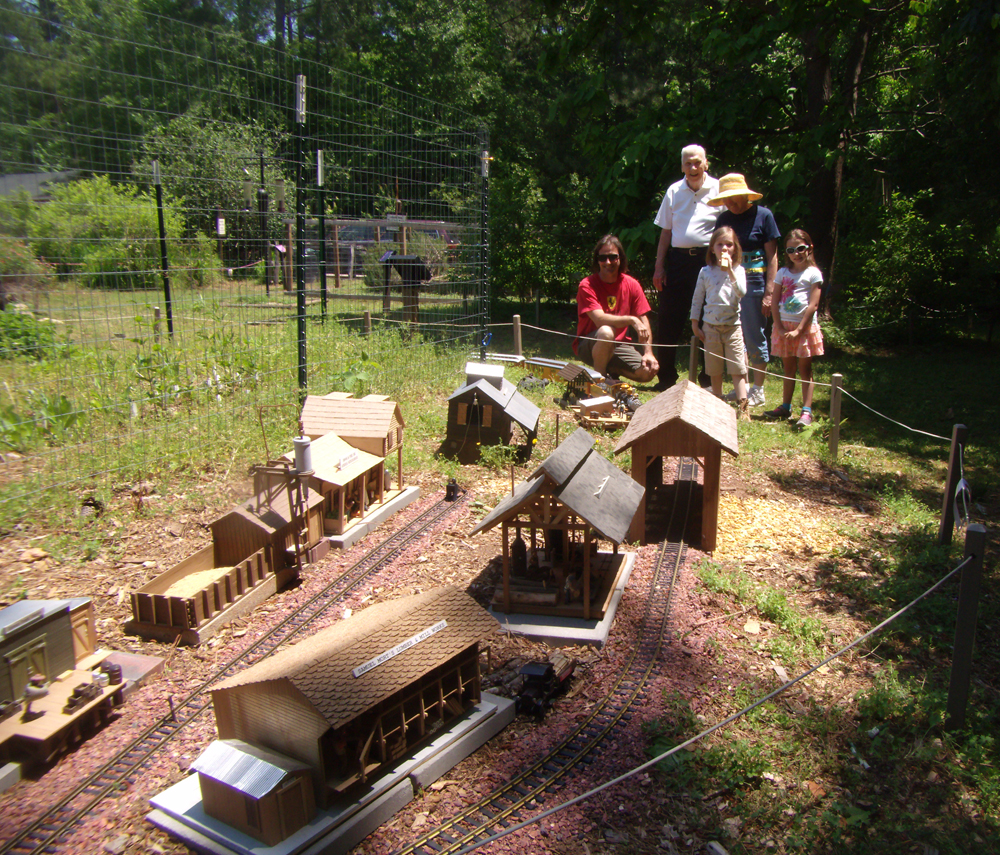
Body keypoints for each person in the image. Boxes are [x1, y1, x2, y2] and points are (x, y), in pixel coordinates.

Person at [652, 144, 721, 390]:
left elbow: (727, 232)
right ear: (682, 166)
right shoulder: (673, 191)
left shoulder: (718, 189)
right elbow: (665, 233)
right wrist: (659, 267)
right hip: (678, 262)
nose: (693, 167)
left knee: (708, 319)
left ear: (705, 163)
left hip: (709, 261)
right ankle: (666, 379)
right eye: (688, 163)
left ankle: (707, 381)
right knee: (669, 318)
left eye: (697, 162)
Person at [710, 173, 780, 407]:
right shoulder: (724, 220)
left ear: (744, 194)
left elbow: (773, 256)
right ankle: (743, 387)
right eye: (725, 199)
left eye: (733, 198)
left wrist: (770, 291)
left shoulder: (764, 216)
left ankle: (758, 389)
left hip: (756, 284)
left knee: (753, 334)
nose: (729, 203)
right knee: (732, 336)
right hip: (727, 285)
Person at [574, 235, 659, 384]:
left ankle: (612, 372)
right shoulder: (587, 285)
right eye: (602, 258)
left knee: (647, 372)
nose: (608, 262)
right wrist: (632, 320)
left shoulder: (632, 284)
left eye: (613, 257)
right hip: (591, 344)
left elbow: (643, 319)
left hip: (619, 345)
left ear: (620, 259)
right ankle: (599, 382)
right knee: (607, 331)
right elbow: (600, 319)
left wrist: (648, 352)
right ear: (597, 260)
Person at [764, 229, 825, 430]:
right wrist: (779, 327)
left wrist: (799, 330)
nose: (796, 253)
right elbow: (774, 303)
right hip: (784, 328)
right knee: (788, 368)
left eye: (800, 248)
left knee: (805, 369)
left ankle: (806, 410)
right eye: (791, 250)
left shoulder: (813, 273)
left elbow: (813, 305)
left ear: (809, 248)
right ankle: (786, 406)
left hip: (804, 329)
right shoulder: (782, 273)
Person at [690, 227, 750, 419]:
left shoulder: (739, 271)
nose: (724, 248)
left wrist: (731, 271)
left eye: (729, 244)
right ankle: (718, 403)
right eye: (720, 244)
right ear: (712, 249)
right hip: (710, 327)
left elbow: (741, 292)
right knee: (714, 368)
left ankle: (743, 407)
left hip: (733, 327)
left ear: (735, 248)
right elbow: (697, 298)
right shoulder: (705, 271)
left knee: (737, 367)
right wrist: (694, 323)